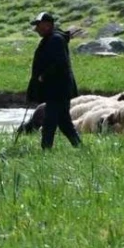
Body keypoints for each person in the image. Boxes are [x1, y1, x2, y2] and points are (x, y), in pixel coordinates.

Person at [26, 12, 81, 149]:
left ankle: (45, 150)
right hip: (58, 89)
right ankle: (80, 147)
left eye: (38, 25)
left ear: (47, 25)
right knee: (64, 122)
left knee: (49, 122)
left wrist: (43, 76)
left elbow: (60, 64)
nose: (36, 29)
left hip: (57, 89)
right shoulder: (52, 38)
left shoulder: (55, 39)